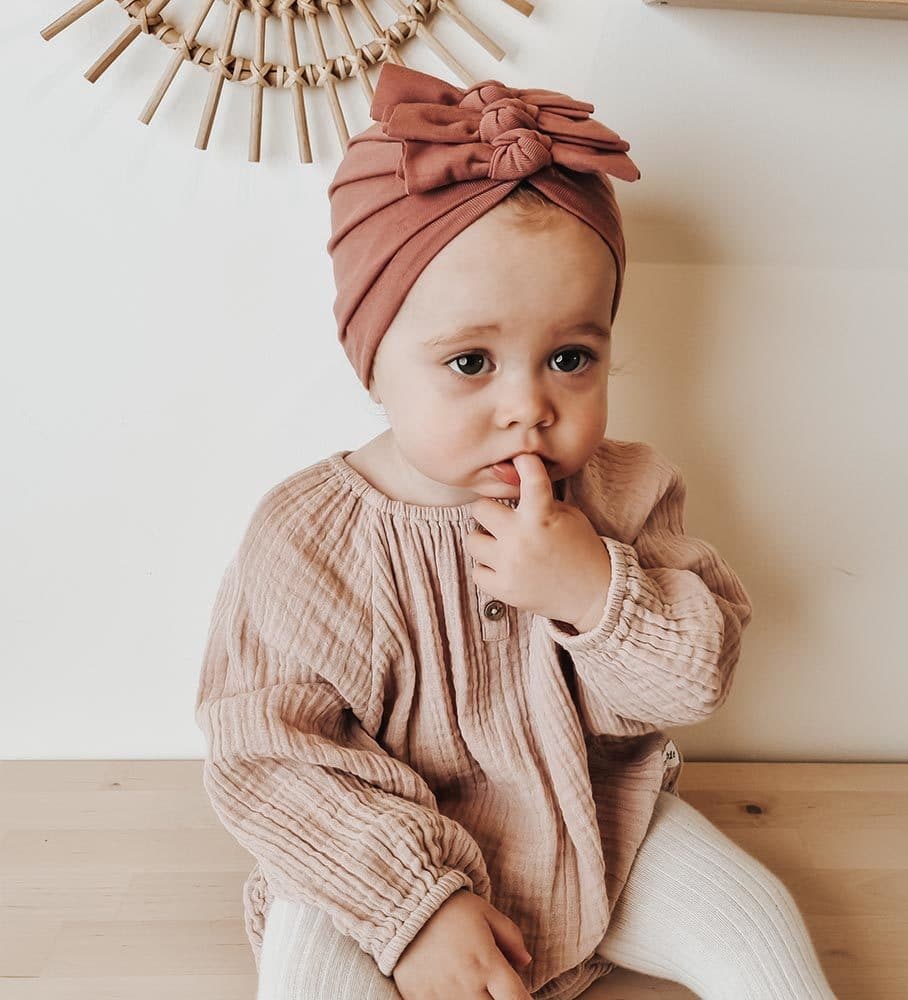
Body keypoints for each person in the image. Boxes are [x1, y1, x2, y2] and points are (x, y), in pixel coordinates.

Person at [194, 62, 838, 1000]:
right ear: (374, 361)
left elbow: (697, 677)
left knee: (757, 924)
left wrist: (596, 592)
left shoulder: (621, 490)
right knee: (307, 976)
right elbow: (265, 755)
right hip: (374, 864)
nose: (528, 407)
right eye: (469, 361)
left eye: (570, 357)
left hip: (596, 825)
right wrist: (414, 906)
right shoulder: (308, 537)